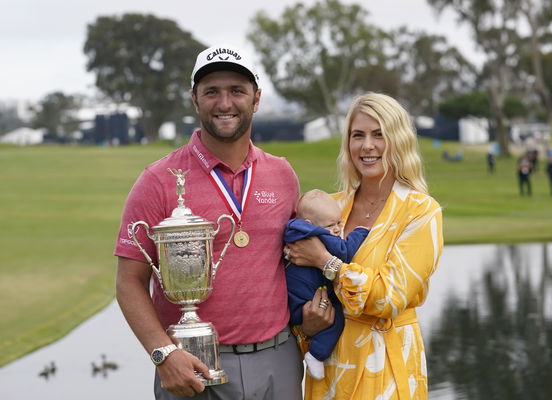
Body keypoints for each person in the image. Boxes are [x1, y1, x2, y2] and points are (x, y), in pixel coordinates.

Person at [114, 44, 332, 400]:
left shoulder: (282, 173)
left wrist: (312, 313)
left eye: (237, 91)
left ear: (256, 99)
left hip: (279, 358)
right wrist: (163, 353)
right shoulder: (158, 180)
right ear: (195, 100)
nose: (225, 103)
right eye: (211, 91)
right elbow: (128, 282)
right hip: (193, 365)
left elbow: (301, 257)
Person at [287, 92, 444, 399]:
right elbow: (294, 273)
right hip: (329, 368)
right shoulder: (329, 208)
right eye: (358, 135)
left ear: (398, 140)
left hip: (385, 370)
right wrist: (307, 325)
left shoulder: (421, 212)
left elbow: (387, 298)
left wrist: (325, 262)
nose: (367, 146)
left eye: (379, 135)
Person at [284, 189, 369, 380]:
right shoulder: (317, 234)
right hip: (308, 303)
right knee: (337, 316)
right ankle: (316, 355)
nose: (338, 229)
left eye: (339, 223)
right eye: (332, 225)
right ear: (310, 224)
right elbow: (344, 252)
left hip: (292, 300)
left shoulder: (292, 232)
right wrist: (360, 232)